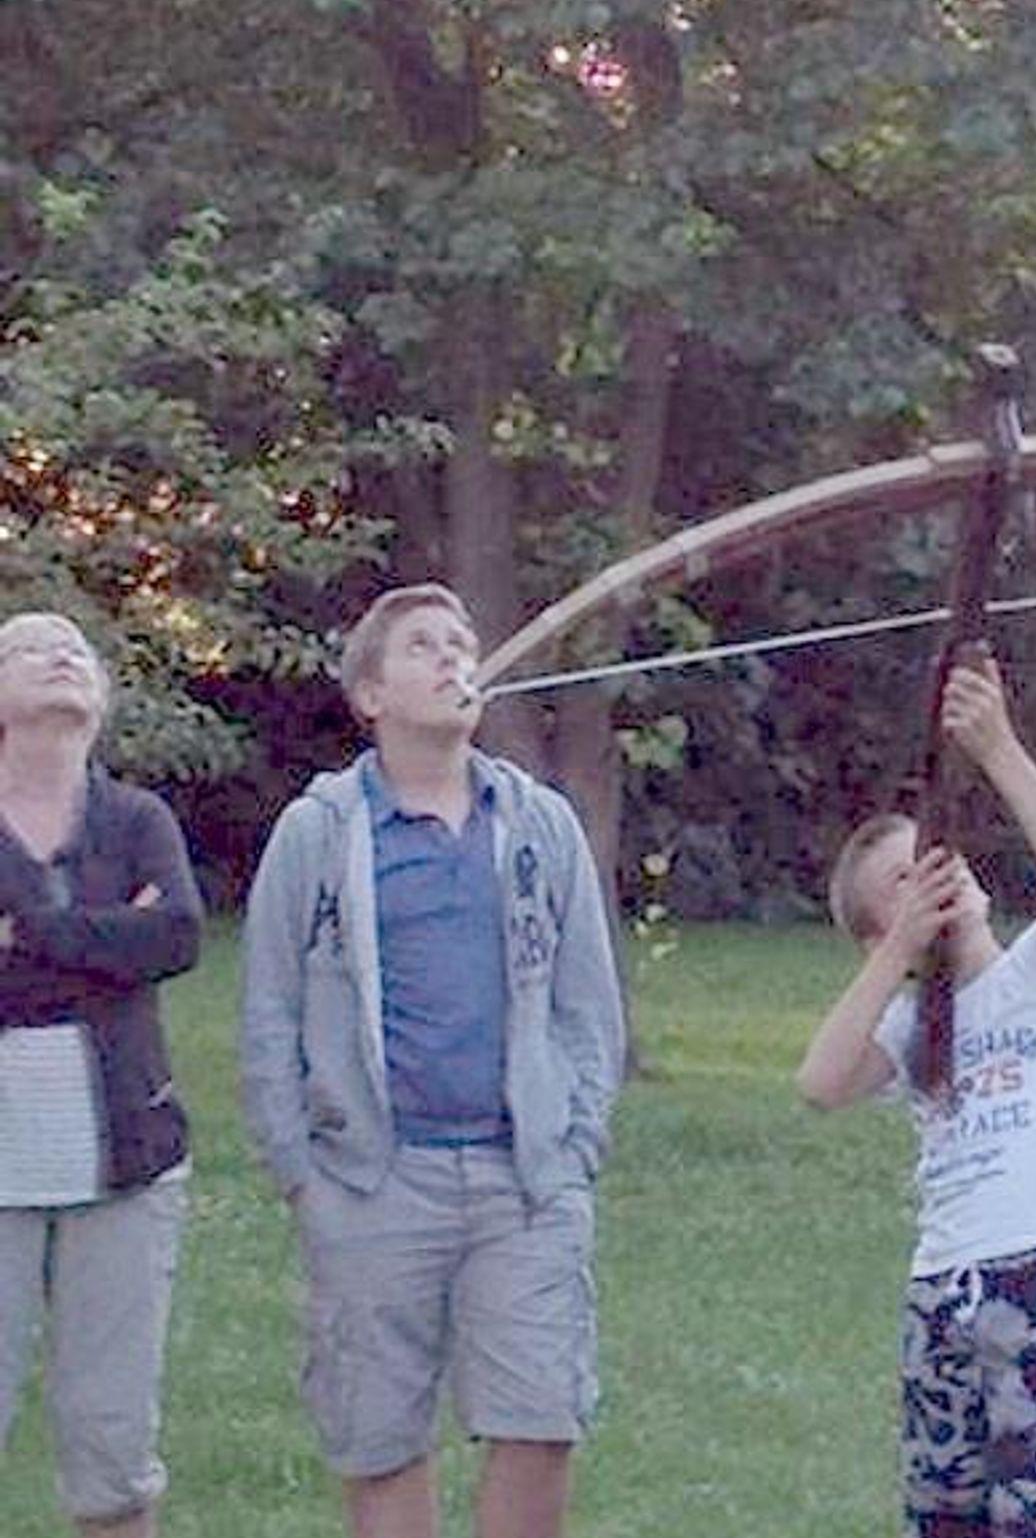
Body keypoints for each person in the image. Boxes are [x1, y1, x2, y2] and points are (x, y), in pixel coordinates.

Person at [240, 583, 625, 1538]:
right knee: (381, 1439)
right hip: (373, 1181)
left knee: (540, 1421)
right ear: (370, 695)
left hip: (524, 1180)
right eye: (422, 645)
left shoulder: (539, 825)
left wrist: (573, 1148)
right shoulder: (320, 832)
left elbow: (588, 1007)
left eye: (462, 641)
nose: (454, 656)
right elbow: (268, 1013)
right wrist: (304, 1178)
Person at [797, 654, 1036, 1538]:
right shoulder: (910, 1025)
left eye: (934, 855)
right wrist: (898, 951)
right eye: (902, 881)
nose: (932, 878)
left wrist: (996, 746)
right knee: (944, 1514)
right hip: (943, 1284)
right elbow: (820, 1083)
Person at [0, 612, 203, 1538]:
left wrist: (32, 935)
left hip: (126, 1167)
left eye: (76, 649)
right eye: (30, 647)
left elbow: (177, 936)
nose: (61, 656)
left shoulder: (137, 820)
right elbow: (136, 943)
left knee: (112, 1450)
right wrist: (108, 943)